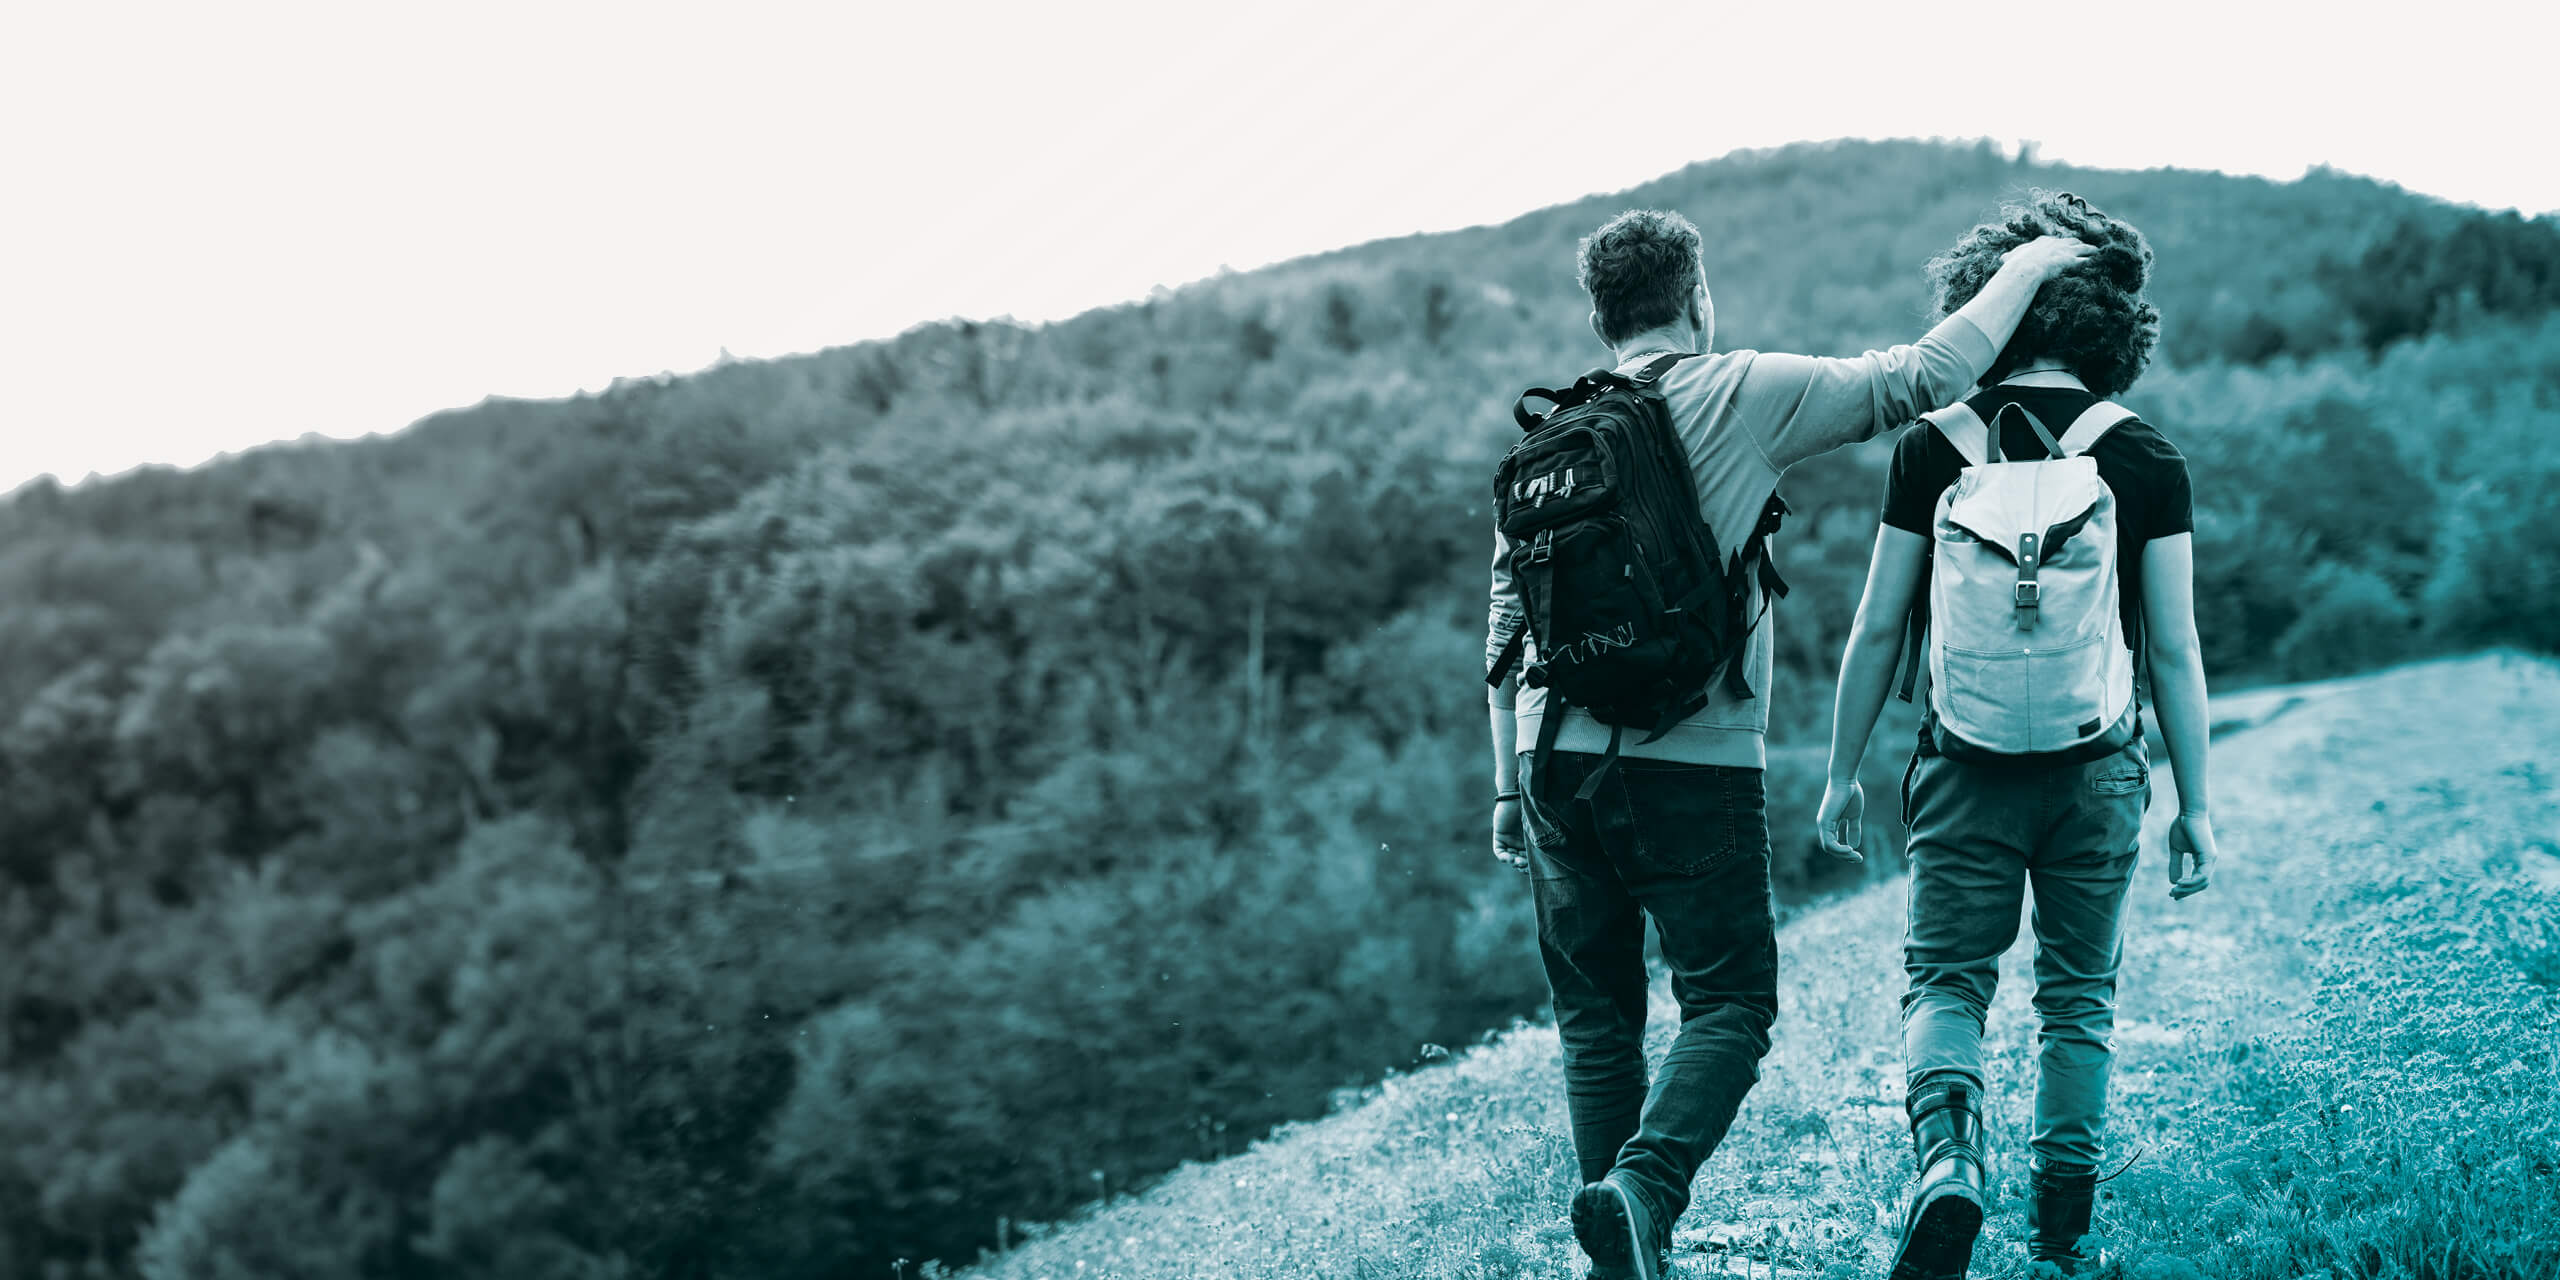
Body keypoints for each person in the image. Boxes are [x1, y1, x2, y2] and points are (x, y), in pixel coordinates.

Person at [1487, 208, 2093, 1280]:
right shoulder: (1738, 390)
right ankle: (1639, 1189)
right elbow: (1924, 373)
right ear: (1697, 299)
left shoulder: (1545, 445)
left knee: (1598, 1020)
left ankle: (1625, 1250)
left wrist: (1503, 790)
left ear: (1599, 316)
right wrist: (2034, 263)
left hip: (1548, 766)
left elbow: (1502, 632)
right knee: (1728, 1002)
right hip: (1692, 758)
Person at [1814, 191, 2219, 1278]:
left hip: (1961, 761)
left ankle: (1946, 1159)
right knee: (2077, 996)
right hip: (2097, 768)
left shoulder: (1931, 447)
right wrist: (2195, 803)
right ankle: (2061, 1239)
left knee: (1946, 977)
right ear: (2108, 328)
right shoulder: (2144, 457)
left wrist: (1843, 771)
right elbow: (2173, 649)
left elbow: (1875, 624)